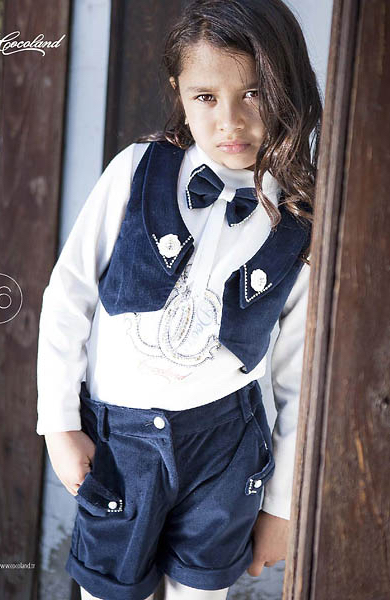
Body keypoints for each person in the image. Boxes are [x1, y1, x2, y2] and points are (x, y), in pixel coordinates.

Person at [36, 1, 322, 599]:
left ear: (287, 90)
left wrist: (281, 507)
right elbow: (68, 296)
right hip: (120, 443)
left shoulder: (298, 220)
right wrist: (60, 425)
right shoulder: (137, 172)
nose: (231, 121)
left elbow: (301, 376)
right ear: (179, 92)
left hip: (225, 449)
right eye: (206, 97)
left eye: (254, 94)